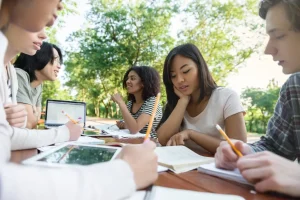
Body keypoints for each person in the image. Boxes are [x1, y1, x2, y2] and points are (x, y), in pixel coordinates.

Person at [0, 1, 158, 200]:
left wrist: (62, 132)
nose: (61, 5)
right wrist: (123, 174)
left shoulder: (9, 71)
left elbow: (11, 136)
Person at [215, 0, 300, 197]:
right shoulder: (295, 88)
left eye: (279, 36)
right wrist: (246, 152)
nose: (268, 49)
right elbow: (275, 147)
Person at [156, 44, 247, 154]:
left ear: (200, 68)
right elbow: (162, 140)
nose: (179, 80)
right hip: (183, 168)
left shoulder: (227, 97)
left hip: (215, 167)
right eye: (173, 76)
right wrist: (183, 102)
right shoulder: (177, 102)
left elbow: (239, 147)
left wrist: (191, 134)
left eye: (185, 71)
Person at [14, 42, 62, 128]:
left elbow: (34, 122)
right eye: (55, 60)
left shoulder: (39, 85)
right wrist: (33, 116)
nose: (59, 66)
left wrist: (34, 117)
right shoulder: (19, 75)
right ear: (40, 57)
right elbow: (28, 124)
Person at [111, 66, 163, 138]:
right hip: (134, 143)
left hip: (150, 145)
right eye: (127, 78)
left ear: (144, 82)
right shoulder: (130, 103)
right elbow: (131, 125)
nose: (127, 81)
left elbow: (134, 129)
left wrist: (121, 103)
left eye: (132, 78)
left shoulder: (153, 102)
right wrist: (124, 125)